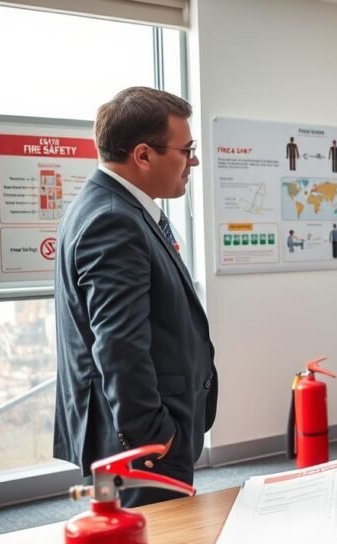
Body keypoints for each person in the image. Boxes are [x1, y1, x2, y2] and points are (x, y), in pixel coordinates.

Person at [53, 87, 217, 507]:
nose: (193, 162)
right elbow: (119, 346)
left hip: (130, 435)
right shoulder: (113, 221)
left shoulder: (108, 206)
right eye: (187, 150)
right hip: (139, 447)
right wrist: (155, 436)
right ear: (143, 155)